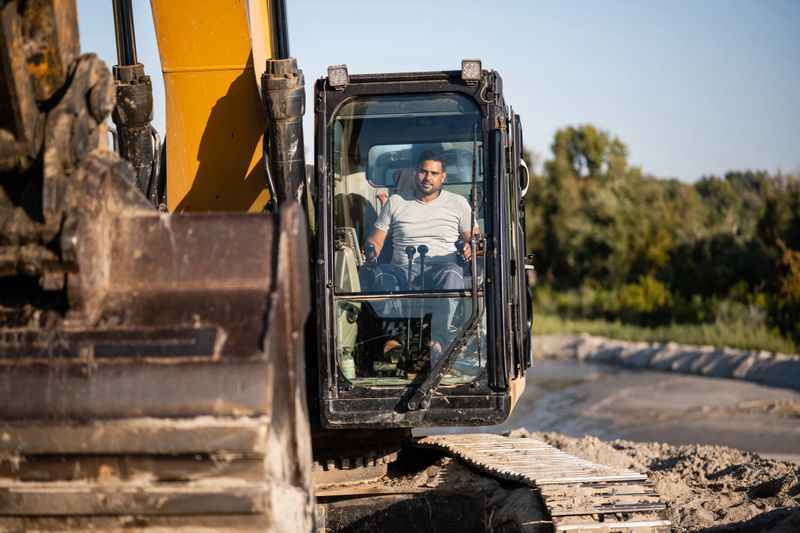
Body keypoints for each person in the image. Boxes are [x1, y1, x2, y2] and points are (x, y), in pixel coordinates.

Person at [363, 149, 478, 364]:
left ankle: (437, 340)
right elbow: (376, 240)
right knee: (381, 274)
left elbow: (475, 240)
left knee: (454, 273)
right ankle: (393, 340)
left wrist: (471, 247)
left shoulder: (459, 203)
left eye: (434, 173)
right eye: (424, 172)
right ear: (416, 172)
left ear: (443, 176)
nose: (428, 178)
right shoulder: (395, 202)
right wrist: (371, 251)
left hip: (442, 269)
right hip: (402, 270)